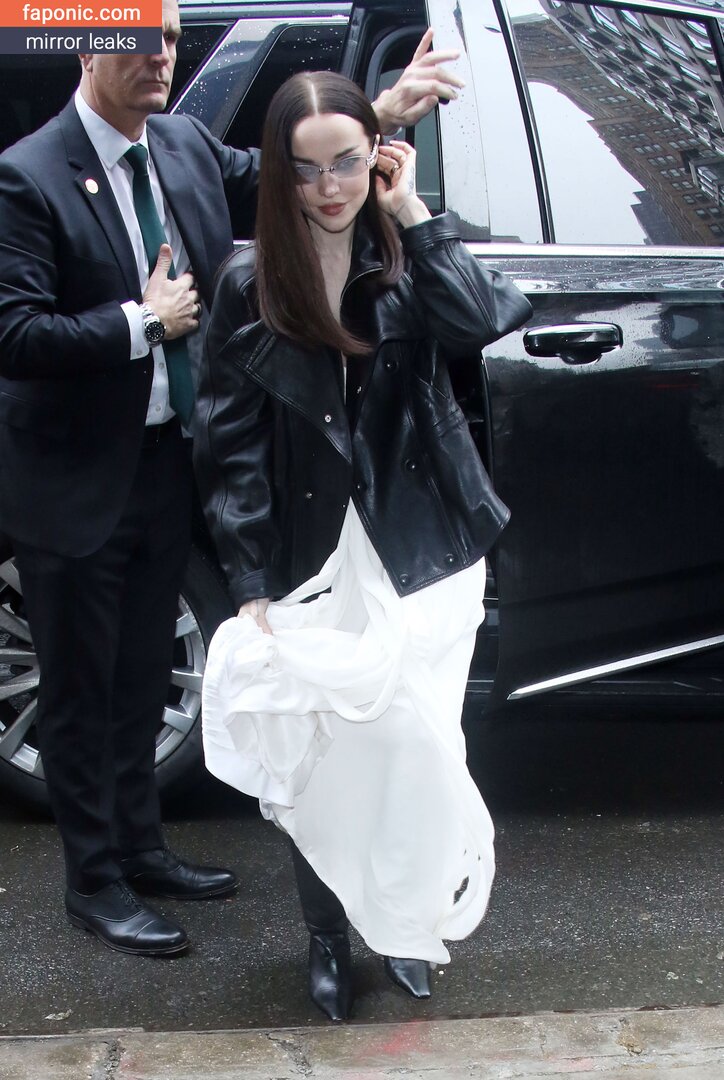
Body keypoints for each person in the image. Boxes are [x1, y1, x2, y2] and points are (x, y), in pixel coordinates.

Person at [0, 0, 464, 958]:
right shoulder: (27, 174)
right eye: (138, 39)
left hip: (170, 462)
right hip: (74, 480)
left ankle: (142, 847)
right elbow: (14, 332)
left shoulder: (183, 146)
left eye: (170, 38)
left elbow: (295, 169)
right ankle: (94, 882)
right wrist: (142, 322)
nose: (160, 56)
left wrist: (381, 112)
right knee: (80, 689)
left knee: (144, 673)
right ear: (86, 44)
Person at [194, 71, 533, 1017]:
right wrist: (251, 583)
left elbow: (486, 319)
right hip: (310, 553)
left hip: (419, 546)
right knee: (327, 757)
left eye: (346, 162)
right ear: (279, 174)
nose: (329, 186)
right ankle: (328, 934)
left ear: (376, 155)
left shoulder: (403, 256)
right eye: (306, 170)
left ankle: (407, 923)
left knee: (421, 747)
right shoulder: (247, 284)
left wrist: (414, 213)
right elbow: (228, 446)